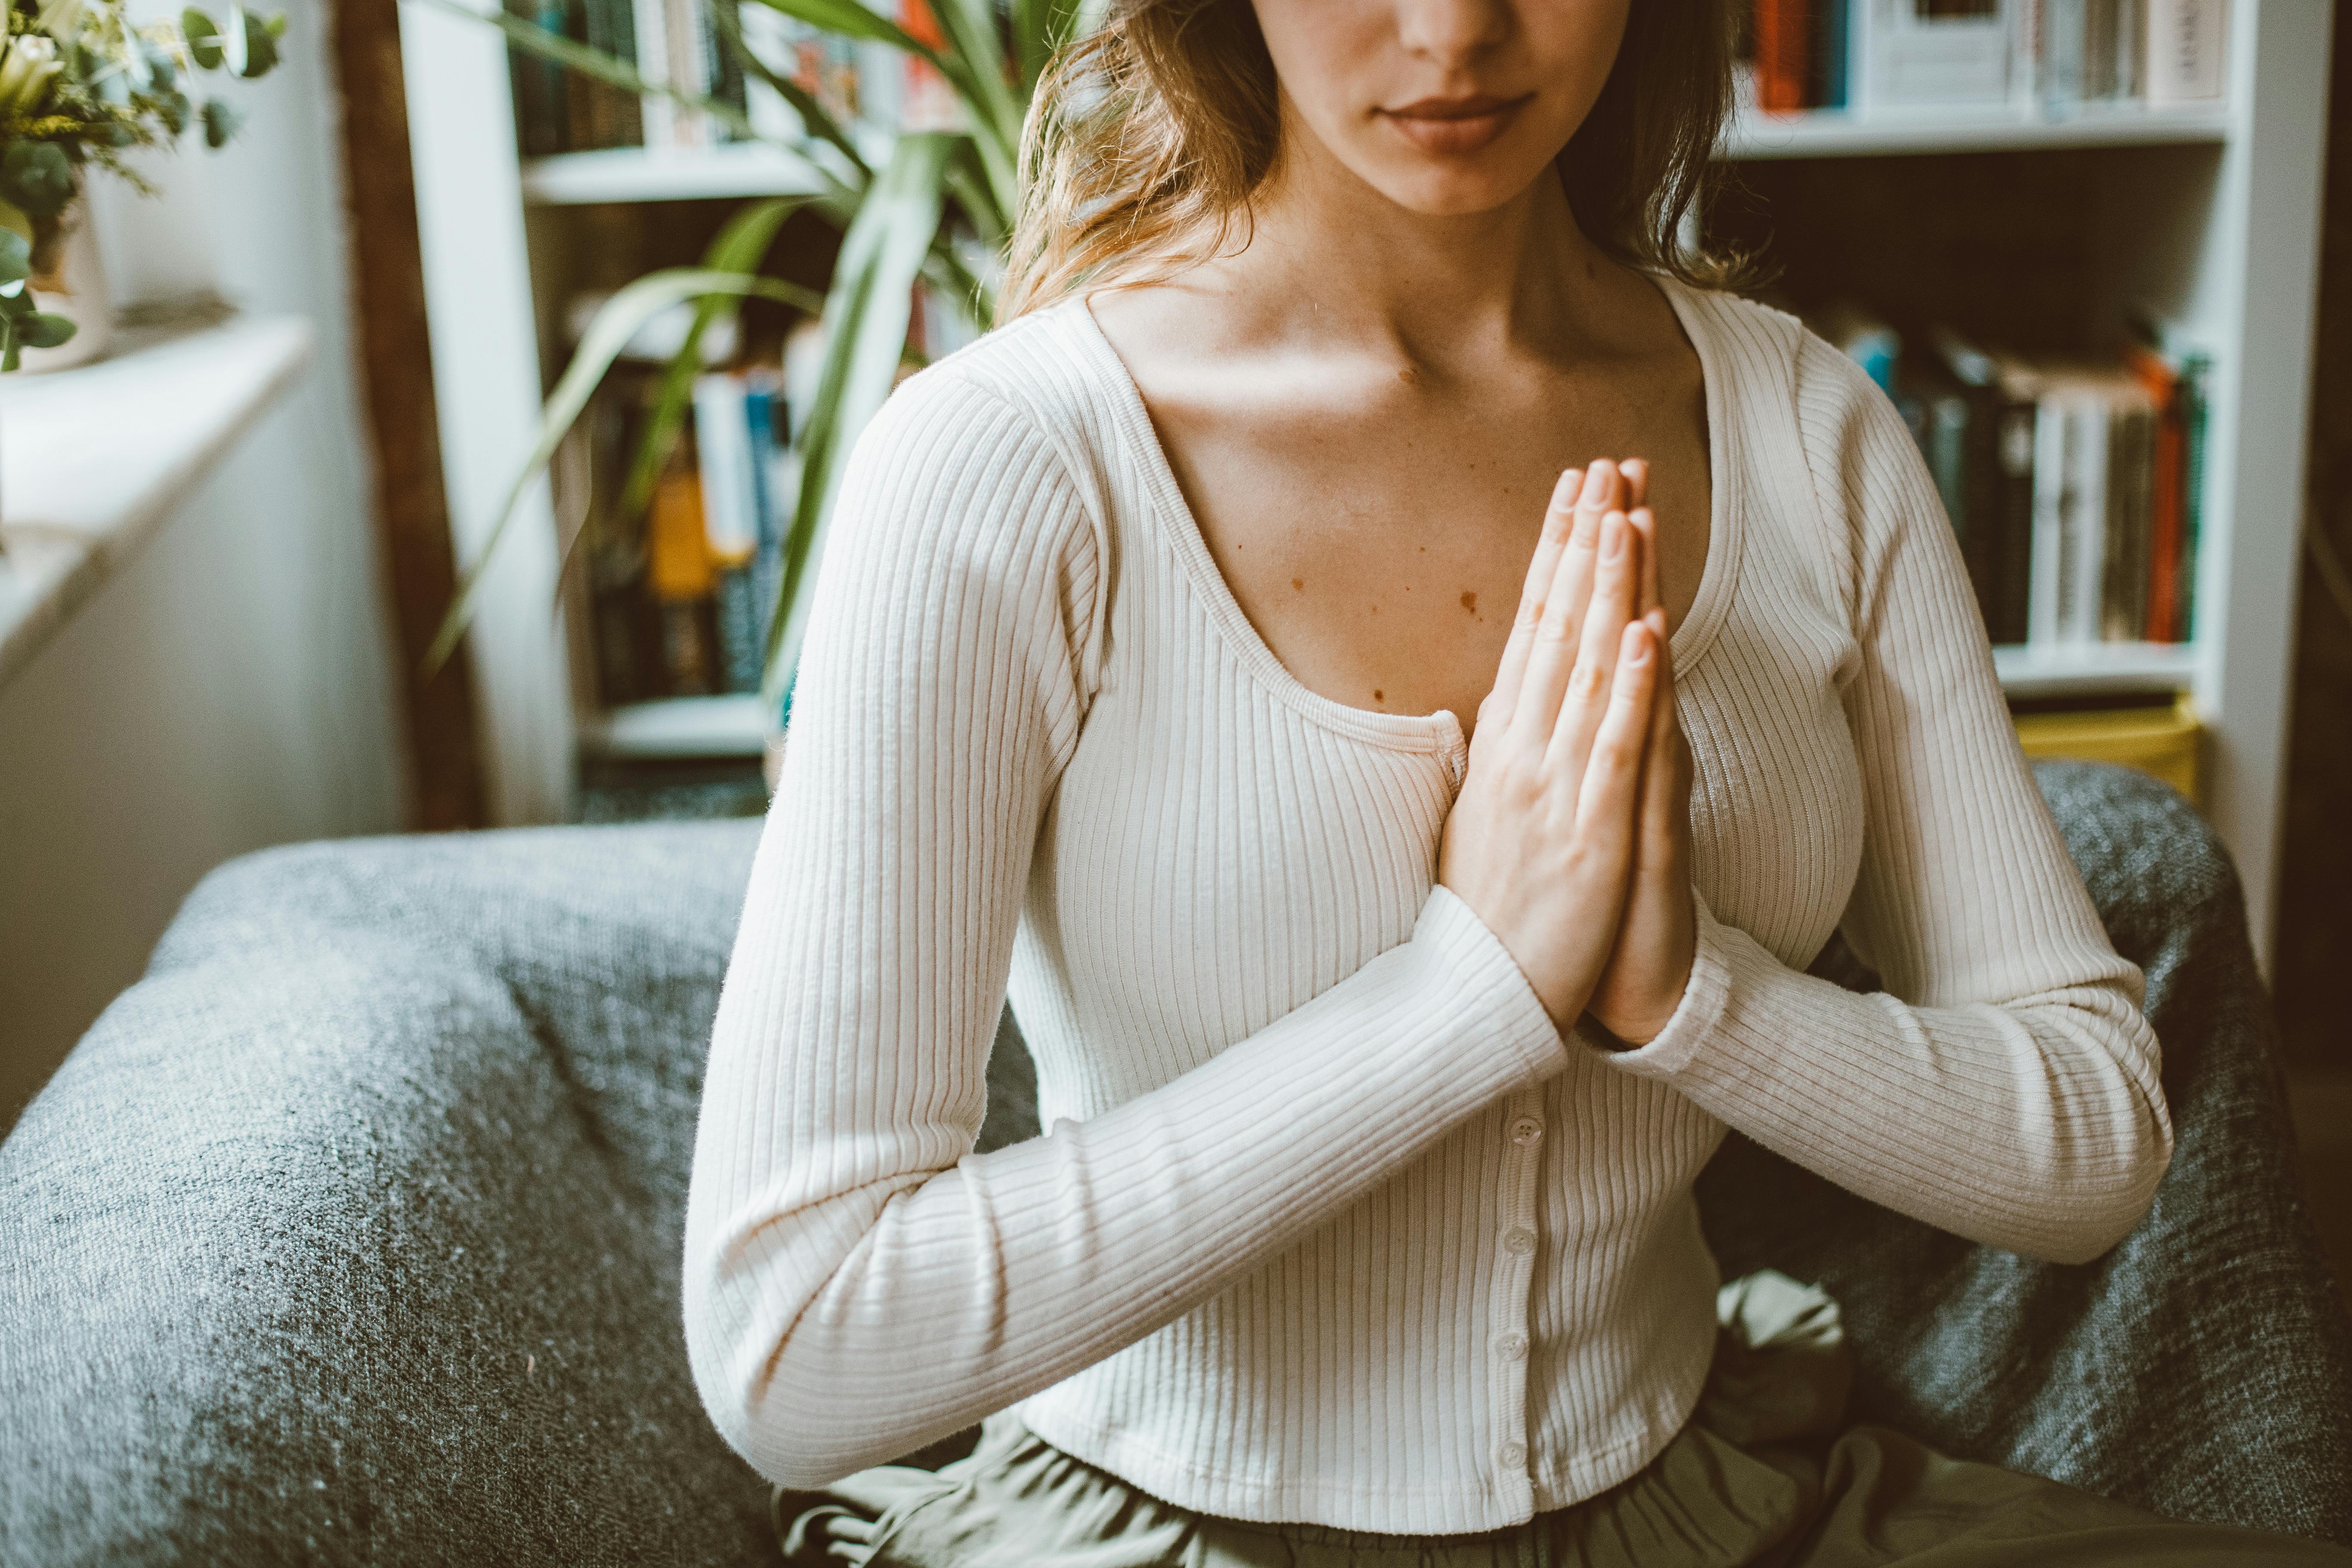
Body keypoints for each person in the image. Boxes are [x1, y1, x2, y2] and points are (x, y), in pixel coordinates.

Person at [681, 0, 2351, 1562]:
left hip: (1701, 1496)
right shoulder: (1006, 469)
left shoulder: (1810, 431)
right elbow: (797, 1340)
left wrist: (1693, 995)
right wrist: (1471, 996)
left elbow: (2094, 1140)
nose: (1456, 32)